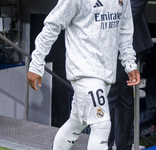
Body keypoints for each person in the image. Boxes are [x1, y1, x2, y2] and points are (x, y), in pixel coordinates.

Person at [27, 0, 140, 150]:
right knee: (102, 124)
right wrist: (36, 64)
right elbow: (52, 25)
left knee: (78, 122)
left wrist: (129, 63)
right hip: (83, 69)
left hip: (106, 72)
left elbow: (125, 30)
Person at [107, 0, 153, 149]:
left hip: (126, 43)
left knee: (110, 96)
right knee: (122, 98)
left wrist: (104, 28)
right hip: (118, 44)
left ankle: (105, 143)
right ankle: (122, 145)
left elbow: (131, 10)